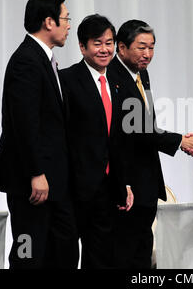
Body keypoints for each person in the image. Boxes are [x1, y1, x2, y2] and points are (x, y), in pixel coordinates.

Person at [109, 19, 193, 268]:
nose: (148, 54)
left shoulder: (142, 73)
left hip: (147, 182)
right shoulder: (110, 77)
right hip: (125, 183)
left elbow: (147, 125)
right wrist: (180, 141)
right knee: (125, 253)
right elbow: (136, 129)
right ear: (121, 47)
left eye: (152, 47)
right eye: (141, 47)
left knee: (143, 250)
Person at [0, 0, 78, 269]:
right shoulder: (26, 61)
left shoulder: (45, 60)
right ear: (49, 22)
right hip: (33, 184)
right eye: (65, 18)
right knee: (29, 254)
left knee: (61, 252)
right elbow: (23, 123)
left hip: (55, 182)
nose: (69, 25)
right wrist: (36, 173)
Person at [59, 14, 133, 269]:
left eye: (109, 42)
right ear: (82, 47)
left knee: (101, 257)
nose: (105, 49)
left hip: (108, 187)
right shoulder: (66, 79)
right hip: (73, 186)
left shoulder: (120, 82)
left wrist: (124, 182)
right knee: (66, 255)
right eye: (97, 43)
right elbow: (61, 135)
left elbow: (120, 138)